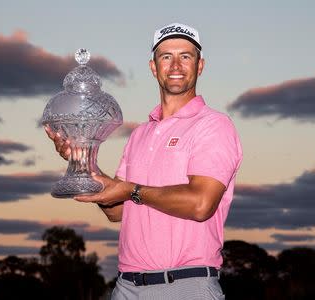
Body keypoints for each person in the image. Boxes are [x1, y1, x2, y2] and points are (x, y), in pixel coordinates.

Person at [46, 22, 243, 300]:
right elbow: (118, 211)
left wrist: (131, 190)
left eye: (185, 56)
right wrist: (82, 161)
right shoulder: (140, 134)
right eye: (166, 56)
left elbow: (201, 204)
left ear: (200, 66)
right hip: (128, 287)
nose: (176, 65)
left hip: (187, 285)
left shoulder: (214, 126)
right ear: (154, 67)